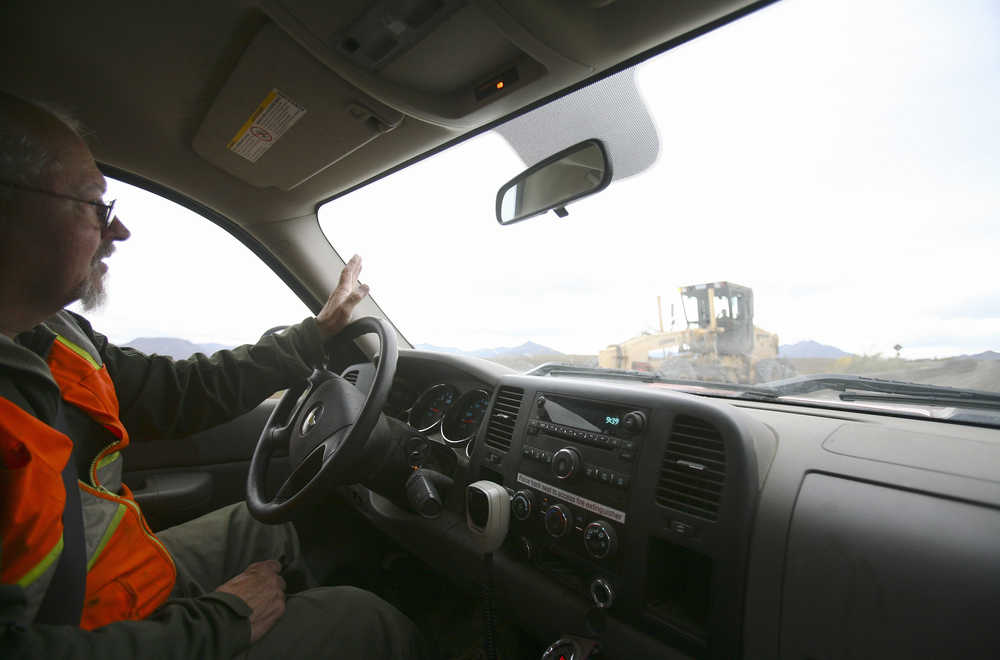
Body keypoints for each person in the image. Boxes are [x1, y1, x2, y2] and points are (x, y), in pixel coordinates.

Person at [0, 93, 426, 658]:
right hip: (90, 630)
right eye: (95, 205)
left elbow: (178, 394)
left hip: (111, 578)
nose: (119, 230)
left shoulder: (52, 337)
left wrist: (314, 335)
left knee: (267, 529)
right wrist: (221, 622)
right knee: (363, 620)